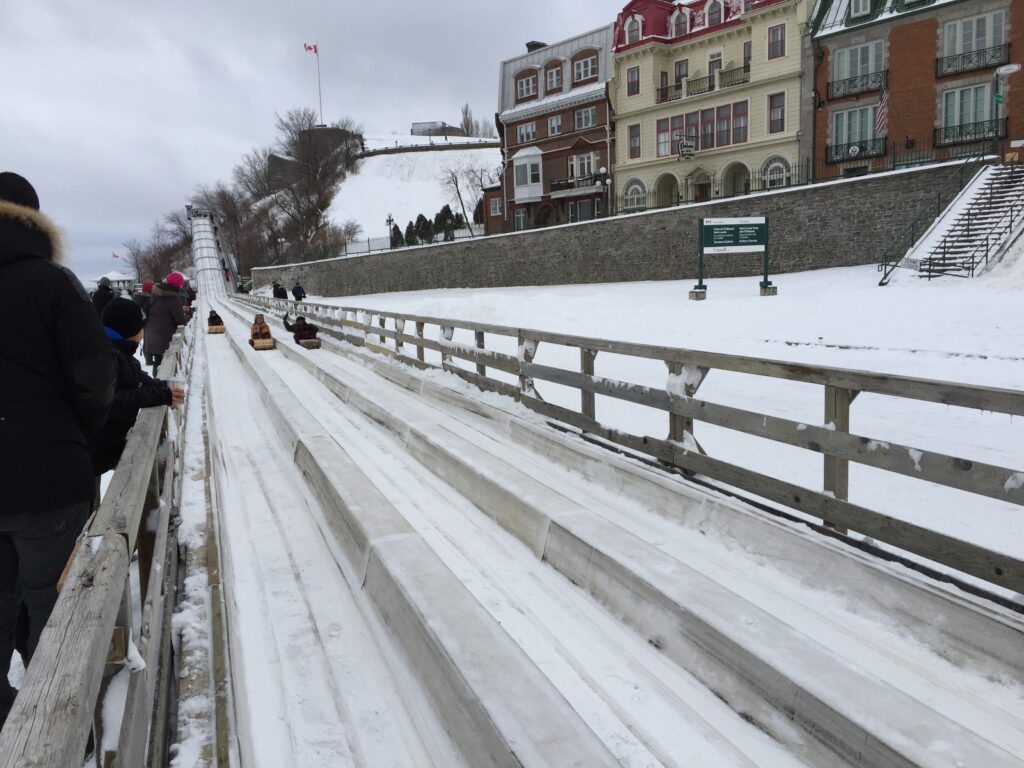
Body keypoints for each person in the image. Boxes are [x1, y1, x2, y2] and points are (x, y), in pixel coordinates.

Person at [0, 172, 117, 730]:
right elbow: (96, 374)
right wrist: (75, 433)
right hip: (47, 479)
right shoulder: (52, 283)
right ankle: (60, 730)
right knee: (54, 607)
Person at [93, 298, 184, 477]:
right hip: (94, 449)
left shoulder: (120, 351)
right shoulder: (104, 358)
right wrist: (161, 396)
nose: (144, 331)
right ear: (130, 330)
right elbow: (114, 399)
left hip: (107, 444)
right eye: (142, 327)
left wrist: (164, 388)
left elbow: (137, 378)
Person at [143, 272, 187, 375]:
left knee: (158, 363)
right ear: (176, 285)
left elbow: (161, 311)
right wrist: (188, 316)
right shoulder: (173, 298)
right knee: (164, 367)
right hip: (164, 337)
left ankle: (156, 386)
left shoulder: (156, 293)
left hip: (152, 334)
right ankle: (160, 388)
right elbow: (180, 321)